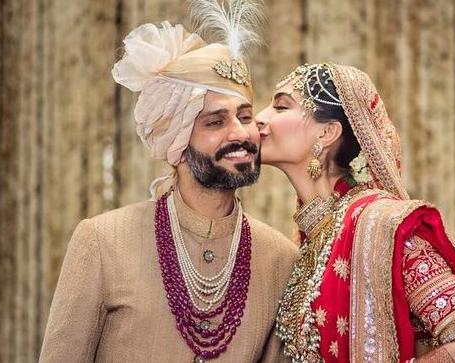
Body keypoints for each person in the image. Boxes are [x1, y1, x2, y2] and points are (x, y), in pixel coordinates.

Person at [39, 3, 298, 362]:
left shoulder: (280, 259)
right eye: (214, 122)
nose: (240, 133)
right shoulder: (102, 242)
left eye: (244, 116)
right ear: (177, 143)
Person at [255, 63, 455, 363]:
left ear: (327, 132)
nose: (259, 117)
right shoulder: (310, 243)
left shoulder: (380, 226)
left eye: (281, 106)